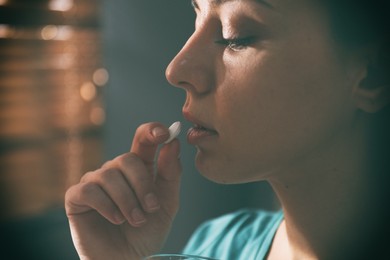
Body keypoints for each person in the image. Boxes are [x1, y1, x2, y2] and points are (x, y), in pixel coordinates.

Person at [65, 0, 389, 259]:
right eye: (197, 14)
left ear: (371, 73)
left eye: (237, 36)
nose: (176, 69)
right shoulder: (215, 247)